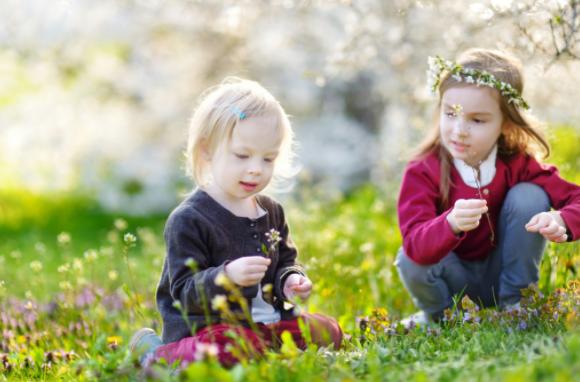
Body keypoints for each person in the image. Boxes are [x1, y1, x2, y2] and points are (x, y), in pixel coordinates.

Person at [130, 77, 342, 367]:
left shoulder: (272, 212)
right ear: (207, 151)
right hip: (210, 329)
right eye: (242, 156)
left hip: (268, 325)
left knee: (327, 330)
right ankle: (158, 353)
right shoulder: (189, 219)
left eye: (268, 159)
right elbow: (182, 291)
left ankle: (260, 349)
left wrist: (291, 280)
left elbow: (285, 263)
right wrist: (226, 277)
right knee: (230, 345)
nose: (255, 169)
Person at [395, 49, 580, 326]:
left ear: (505, 123)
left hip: (502, 271)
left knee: (530, 194)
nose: (459, 130)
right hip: (453, 277)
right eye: (450, 114)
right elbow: (414, 246)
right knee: (408, 259)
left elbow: (575, 197)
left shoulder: (516, 163)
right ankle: (443, 319)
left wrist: (561, 219)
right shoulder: (424, 170)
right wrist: (450, 223)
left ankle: (516, 306)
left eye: (477, 120)